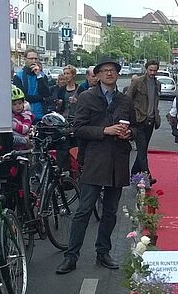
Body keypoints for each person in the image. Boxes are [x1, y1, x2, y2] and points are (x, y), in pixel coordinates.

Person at [56, 56, 137, 274]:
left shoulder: (125, 100)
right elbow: (79, 128)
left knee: (110, 211)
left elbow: (136, 128)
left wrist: (129, 134)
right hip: (94, 160)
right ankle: (71, 256)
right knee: (84, 210)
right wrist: (104, 131)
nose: (110, 73)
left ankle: (103, 252)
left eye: (113, 70)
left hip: (118, 162)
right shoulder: (87, 97)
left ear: (117, 74)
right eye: (105, 70)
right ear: (98, 75)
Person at [126, 59, 161, 184]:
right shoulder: (138, 82)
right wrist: (129, 118)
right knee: (141, 150)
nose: (153, 73)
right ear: (146, 69)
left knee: (143, 149)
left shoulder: (157, 84)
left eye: (155, 70)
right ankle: (147, 176)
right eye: (150, 70)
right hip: (139, 120)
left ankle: (134, 173)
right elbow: (127, 99)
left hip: (151, 120)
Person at [12, 49, 50, 121]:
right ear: (25, 59)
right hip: (23, 116)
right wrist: (40, 97)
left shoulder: (42, 76)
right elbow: (22, 96)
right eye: (31, 58)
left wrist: (38, 76)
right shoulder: (18, 76)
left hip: (40, 115)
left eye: (36, 59)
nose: (34, 61)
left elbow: (46, 94)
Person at [12, 85, 34, 150]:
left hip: (24, 146)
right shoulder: (10, 116)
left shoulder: (26, 115)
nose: (18, 106)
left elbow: (24, 129)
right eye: (14, 104)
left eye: (20, 103)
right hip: (12, 146)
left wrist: (11, 124)